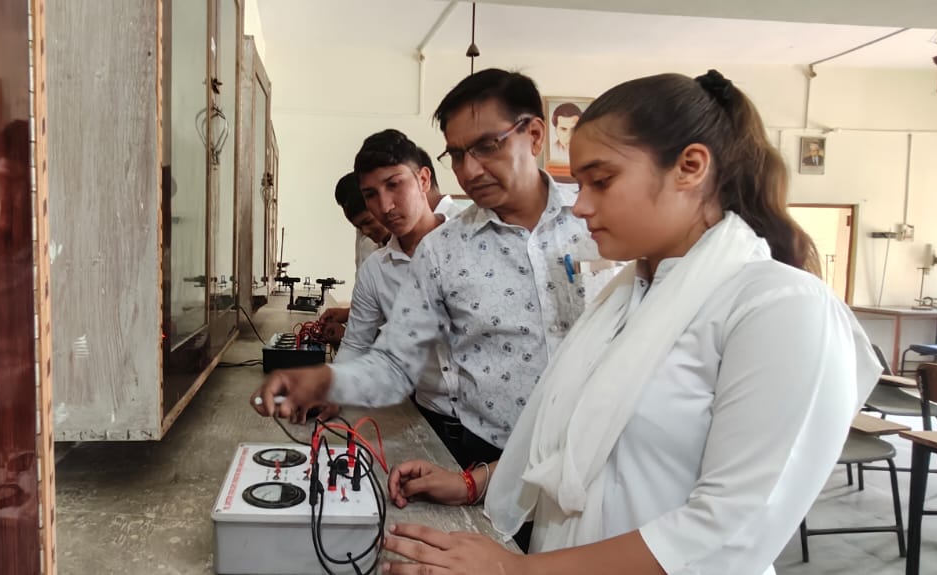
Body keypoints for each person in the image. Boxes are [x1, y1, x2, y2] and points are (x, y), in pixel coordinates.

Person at [377, 70, 879, 575]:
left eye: (602, 181)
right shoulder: (629, 296)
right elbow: (582, 445)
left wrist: (516, 570)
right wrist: (475, 482)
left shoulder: (779, 306)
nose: (581, 205)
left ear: (690, 168)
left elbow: (730, 527)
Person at [251, 69, 609, 470]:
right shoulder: (441, 251)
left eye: (486, 146)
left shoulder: (601, 219)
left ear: (536, 135)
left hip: (600, 450)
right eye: (456, 155)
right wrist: (327, 382)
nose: (469, 171)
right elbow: (394, 361)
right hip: (486, 451)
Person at [331, 129, 466, 460]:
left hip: (497, 428)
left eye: (394, 185)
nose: (385, 206)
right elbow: (356, 343)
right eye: (371, 194)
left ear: (423, 179)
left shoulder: (472, 242)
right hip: (429, 419)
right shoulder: (376, 270)